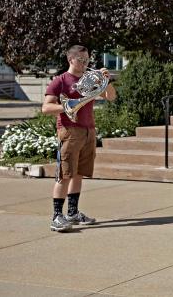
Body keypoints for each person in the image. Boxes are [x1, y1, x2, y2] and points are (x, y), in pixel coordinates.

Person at [41, 45, 116, 232]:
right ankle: (57, 216)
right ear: (71, 59)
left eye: (87, 60)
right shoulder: (60, 81)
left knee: (78, 173)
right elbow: (46, 108)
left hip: (88, 130)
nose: (85, 64)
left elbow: (111, 97)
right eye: (81, 60)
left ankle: (72, 213)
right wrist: (69, 106)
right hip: (69, 130)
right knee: (64, 174)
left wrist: (107, 81)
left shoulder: (89, 79)